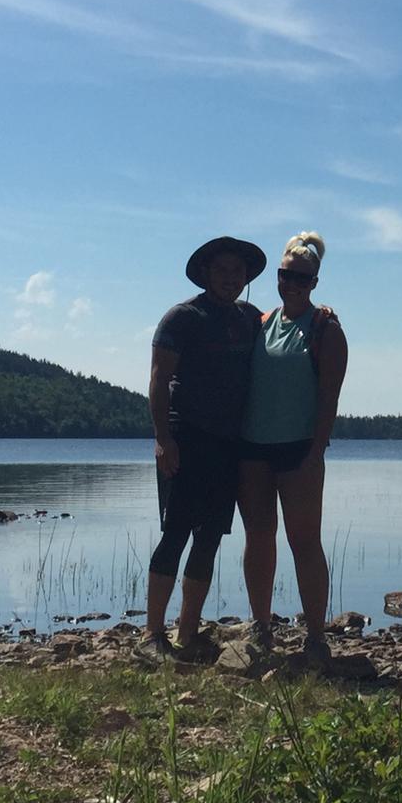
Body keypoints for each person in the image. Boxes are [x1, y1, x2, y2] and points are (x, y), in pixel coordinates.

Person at [145, 234, 266, 661]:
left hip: (228, 445)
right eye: (222, 270)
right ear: (206, 273)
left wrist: (322, 315)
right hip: (185, 438)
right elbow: (159, 380)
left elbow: (287, 321)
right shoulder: (182, 317)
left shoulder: (250, 319)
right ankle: (152, 637)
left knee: (210, 538)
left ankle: (188, 634)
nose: (230, 278)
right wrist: (163, 439)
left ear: (247, 277)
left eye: (238, 271)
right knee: (175, 535)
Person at [238, 230, 348, 662]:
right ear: (277, 277)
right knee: (258, 537)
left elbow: (329, 399)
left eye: (302, 279)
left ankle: (316, 636)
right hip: (252, 450)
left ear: (315, 283)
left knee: (305, 542)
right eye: (286, 275)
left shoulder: (325, 329)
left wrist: (316, 452)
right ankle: (261, 626)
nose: (292, 284)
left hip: (300, 450)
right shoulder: (259, 324)